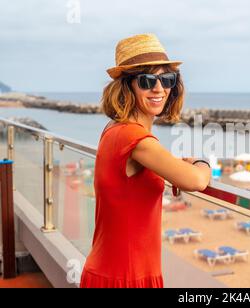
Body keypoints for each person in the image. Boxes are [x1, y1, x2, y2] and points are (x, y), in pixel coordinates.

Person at [80, 34, 211, 288]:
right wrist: (201, 163)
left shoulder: (115, 129)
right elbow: (196, 180)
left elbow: (131, 182)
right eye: (147, 80)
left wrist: (169, 169)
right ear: (127, 86)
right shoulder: (134, 137)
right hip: (126, 277)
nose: (159, 88)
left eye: (167, 79)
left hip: (118, 270)